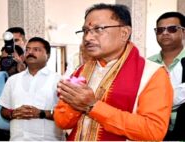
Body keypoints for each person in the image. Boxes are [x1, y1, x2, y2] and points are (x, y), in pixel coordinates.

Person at [54, 3, 173, 141]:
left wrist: (93, 106)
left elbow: (153, 131)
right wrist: (75, 105)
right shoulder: (81, 71)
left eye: (98, 29)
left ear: (124, 33)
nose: (87, 38)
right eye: (86, 31)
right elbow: (62, 122)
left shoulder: (152, 74)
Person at [0, 37, 65, 141]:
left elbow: (66, 113)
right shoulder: (13, 80)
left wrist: (42, 113)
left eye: (36, 50)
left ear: (48, 55)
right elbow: (3, 110)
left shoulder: (59, 81)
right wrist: (13, 113)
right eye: (28, 49)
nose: (30, 52)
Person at [148, 12, 185, 140]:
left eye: (172, 29)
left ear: (184, 32)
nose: (165, 33)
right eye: (160, 30)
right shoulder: (146, 64)